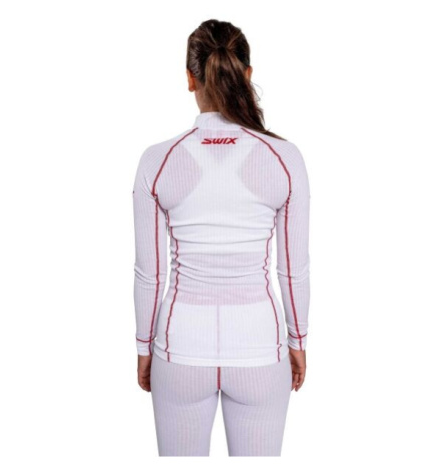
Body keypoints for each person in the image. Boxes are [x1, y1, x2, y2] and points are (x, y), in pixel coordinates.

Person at [132, 18, 311, 457]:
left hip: (180, 348)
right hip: (259, 347)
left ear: (190, 78)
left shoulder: (158, 161)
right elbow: (293, 270)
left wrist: (143, 347)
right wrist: (298, 342)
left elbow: (149, 273)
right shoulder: (284, 158)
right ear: (246, 75)